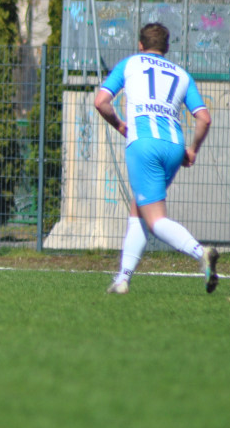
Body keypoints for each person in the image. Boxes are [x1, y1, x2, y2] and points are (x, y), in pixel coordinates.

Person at [93, 22, 219, 294]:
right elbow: (204, 119)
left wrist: (120, 125)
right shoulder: (181, 74)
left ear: (140, 45)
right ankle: (122, 279)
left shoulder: (130, 63)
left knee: (155, 219)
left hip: (144, 144)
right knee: (140, 210)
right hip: (174, 145)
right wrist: (193, 149)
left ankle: (201, 253)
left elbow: (101, 101)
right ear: (167, 48)